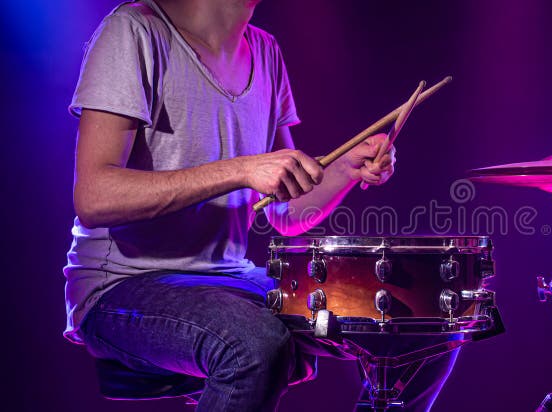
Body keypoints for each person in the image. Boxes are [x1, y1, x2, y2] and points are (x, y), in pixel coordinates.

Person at [64, 0, 458, 410]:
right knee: (254, 343)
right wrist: (241, 170)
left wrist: (345, 168)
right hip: (121, 286)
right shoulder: (134, 30)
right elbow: (95, 197)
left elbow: (284, 213)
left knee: (424, 316)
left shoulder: (265, 51)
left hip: (229, 278)